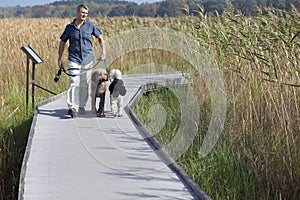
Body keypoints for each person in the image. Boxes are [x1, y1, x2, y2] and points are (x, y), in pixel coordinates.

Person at [58, 4, 106, 117]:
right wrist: (59, 58)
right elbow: (62, 42)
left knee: (84, 84)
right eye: (82, 12)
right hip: (74, 58)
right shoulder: (69, 28)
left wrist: (103, 52)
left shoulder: (91, 26)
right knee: (74, 82)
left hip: (88, 59)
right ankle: (71, 107)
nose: (84, 15)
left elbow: (100, 38)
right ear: (77, 13)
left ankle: (82, 106)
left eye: (86, 13)